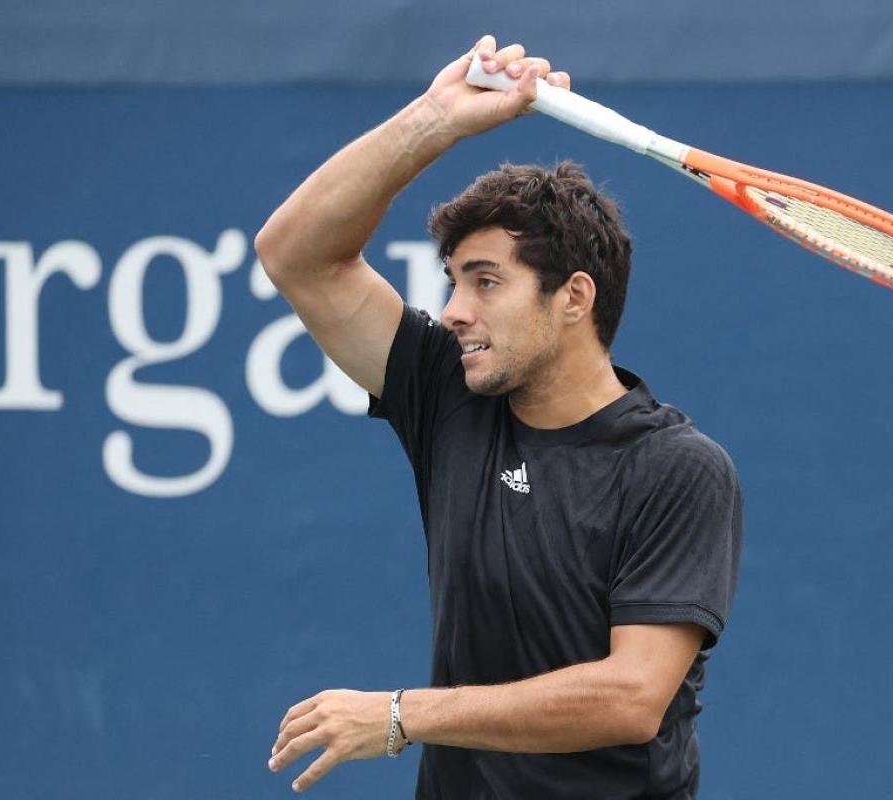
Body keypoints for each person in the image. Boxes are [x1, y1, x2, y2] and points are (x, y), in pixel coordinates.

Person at [257, 36, 742, 799]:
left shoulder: (676, 468)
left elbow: (628, 698)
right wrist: (435, 119)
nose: (453, 310)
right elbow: (296, 256)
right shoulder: (447, 393)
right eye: (452, 281)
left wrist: (402, 715)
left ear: (573, 297)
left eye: (484, 282)